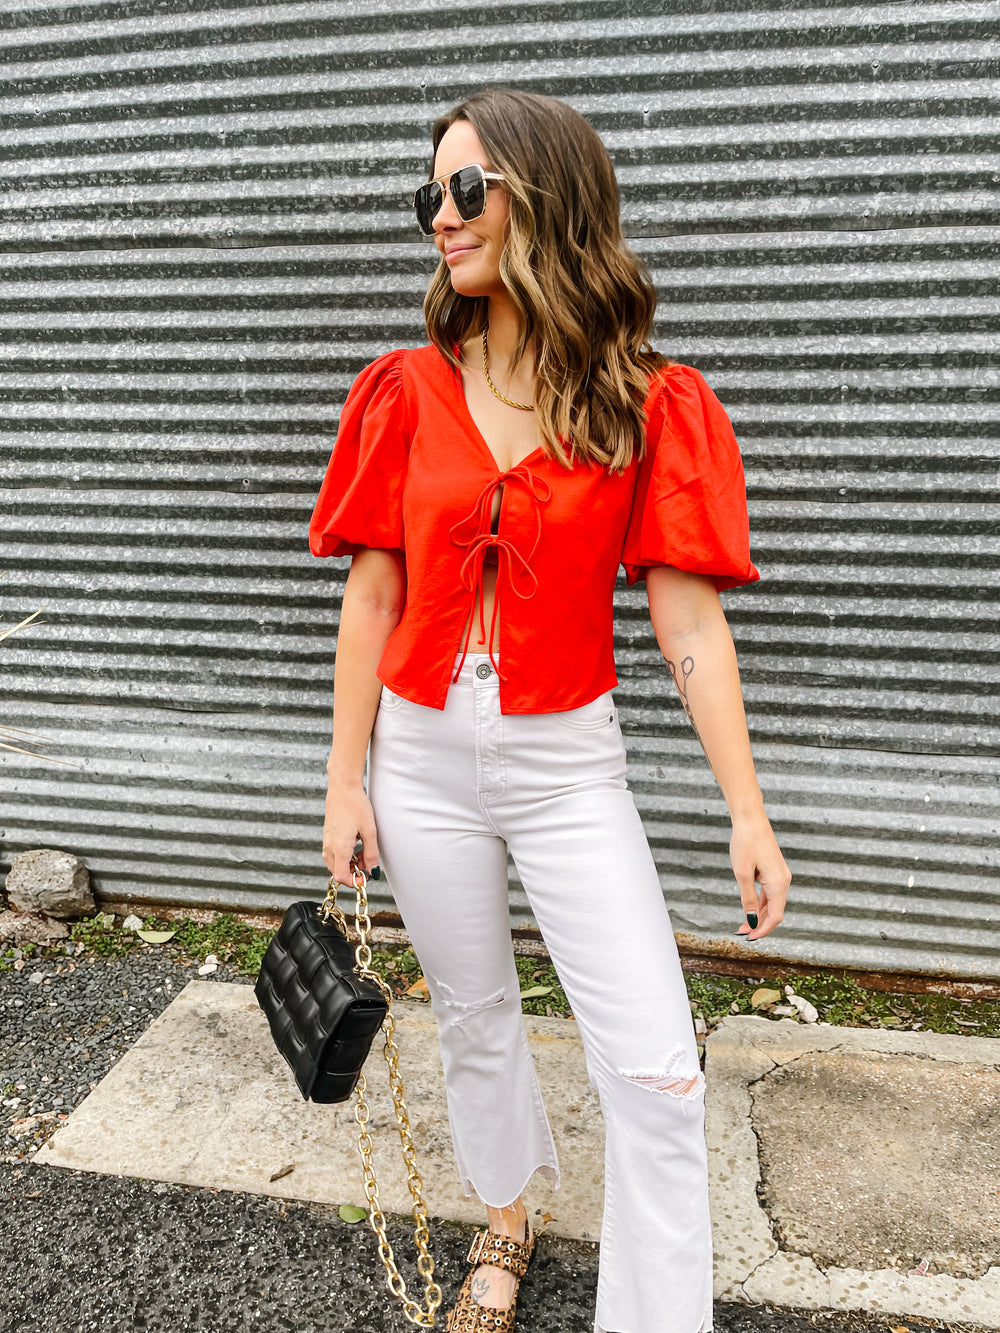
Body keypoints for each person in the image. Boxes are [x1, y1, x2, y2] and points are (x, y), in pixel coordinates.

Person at [310, 87, 791, 1333]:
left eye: (466, 189)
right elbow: (371, 598)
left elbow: (687, 623)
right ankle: (507, 1215)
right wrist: (345, 781)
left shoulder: (644, 400)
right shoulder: (401, 390)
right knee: (475, 1017)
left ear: (546, 195)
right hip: (417, 758)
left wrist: (748, 807)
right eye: (430, 194)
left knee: (657, 1071)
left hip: (568, 763)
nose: (440, 217)